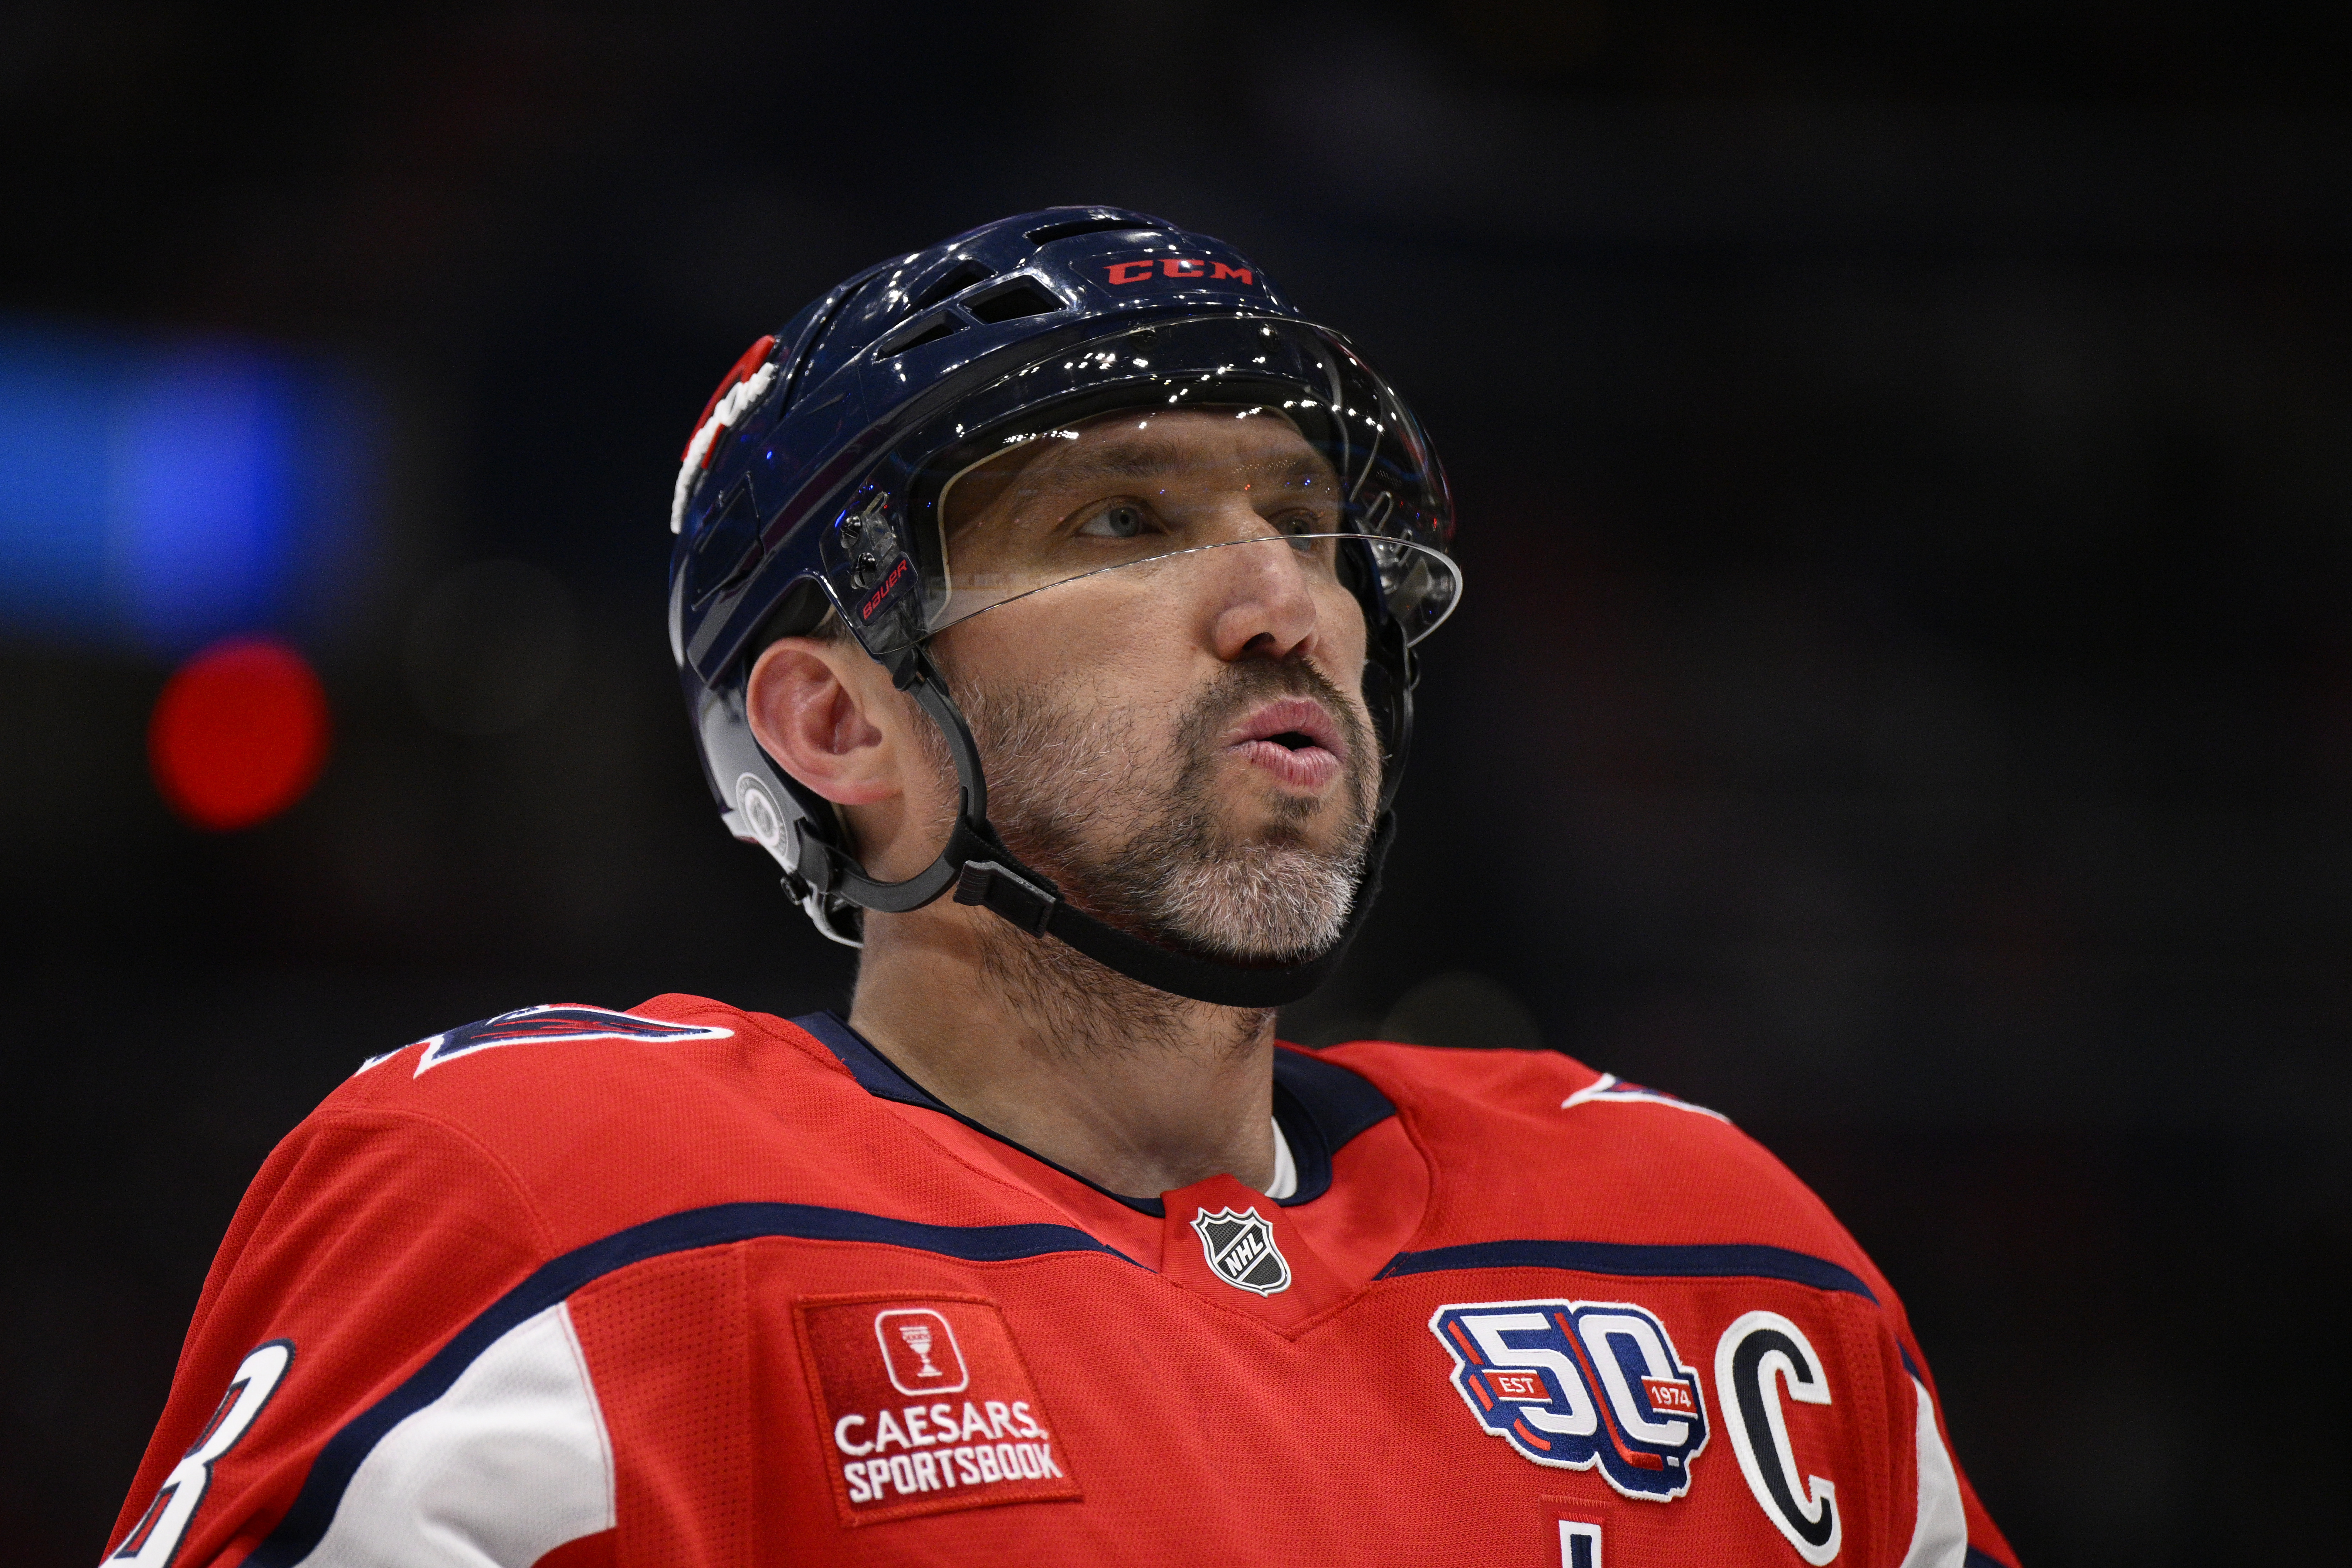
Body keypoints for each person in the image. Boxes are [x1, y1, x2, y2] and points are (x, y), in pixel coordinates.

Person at [108, 208, 2017, 1568]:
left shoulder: (1709, 1246)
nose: (1289, 600)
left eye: (1304, 520)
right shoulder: (563, 1212)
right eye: (1125, 519)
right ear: (840, 720)